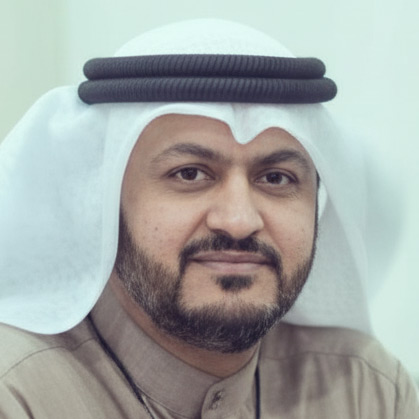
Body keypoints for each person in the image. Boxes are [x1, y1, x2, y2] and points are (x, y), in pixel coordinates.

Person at [0, 19, 418, 419]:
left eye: (276, 178)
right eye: (189, 174)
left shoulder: (368, 391)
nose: (238, 221)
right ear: (106, 200)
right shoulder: (16, 396)